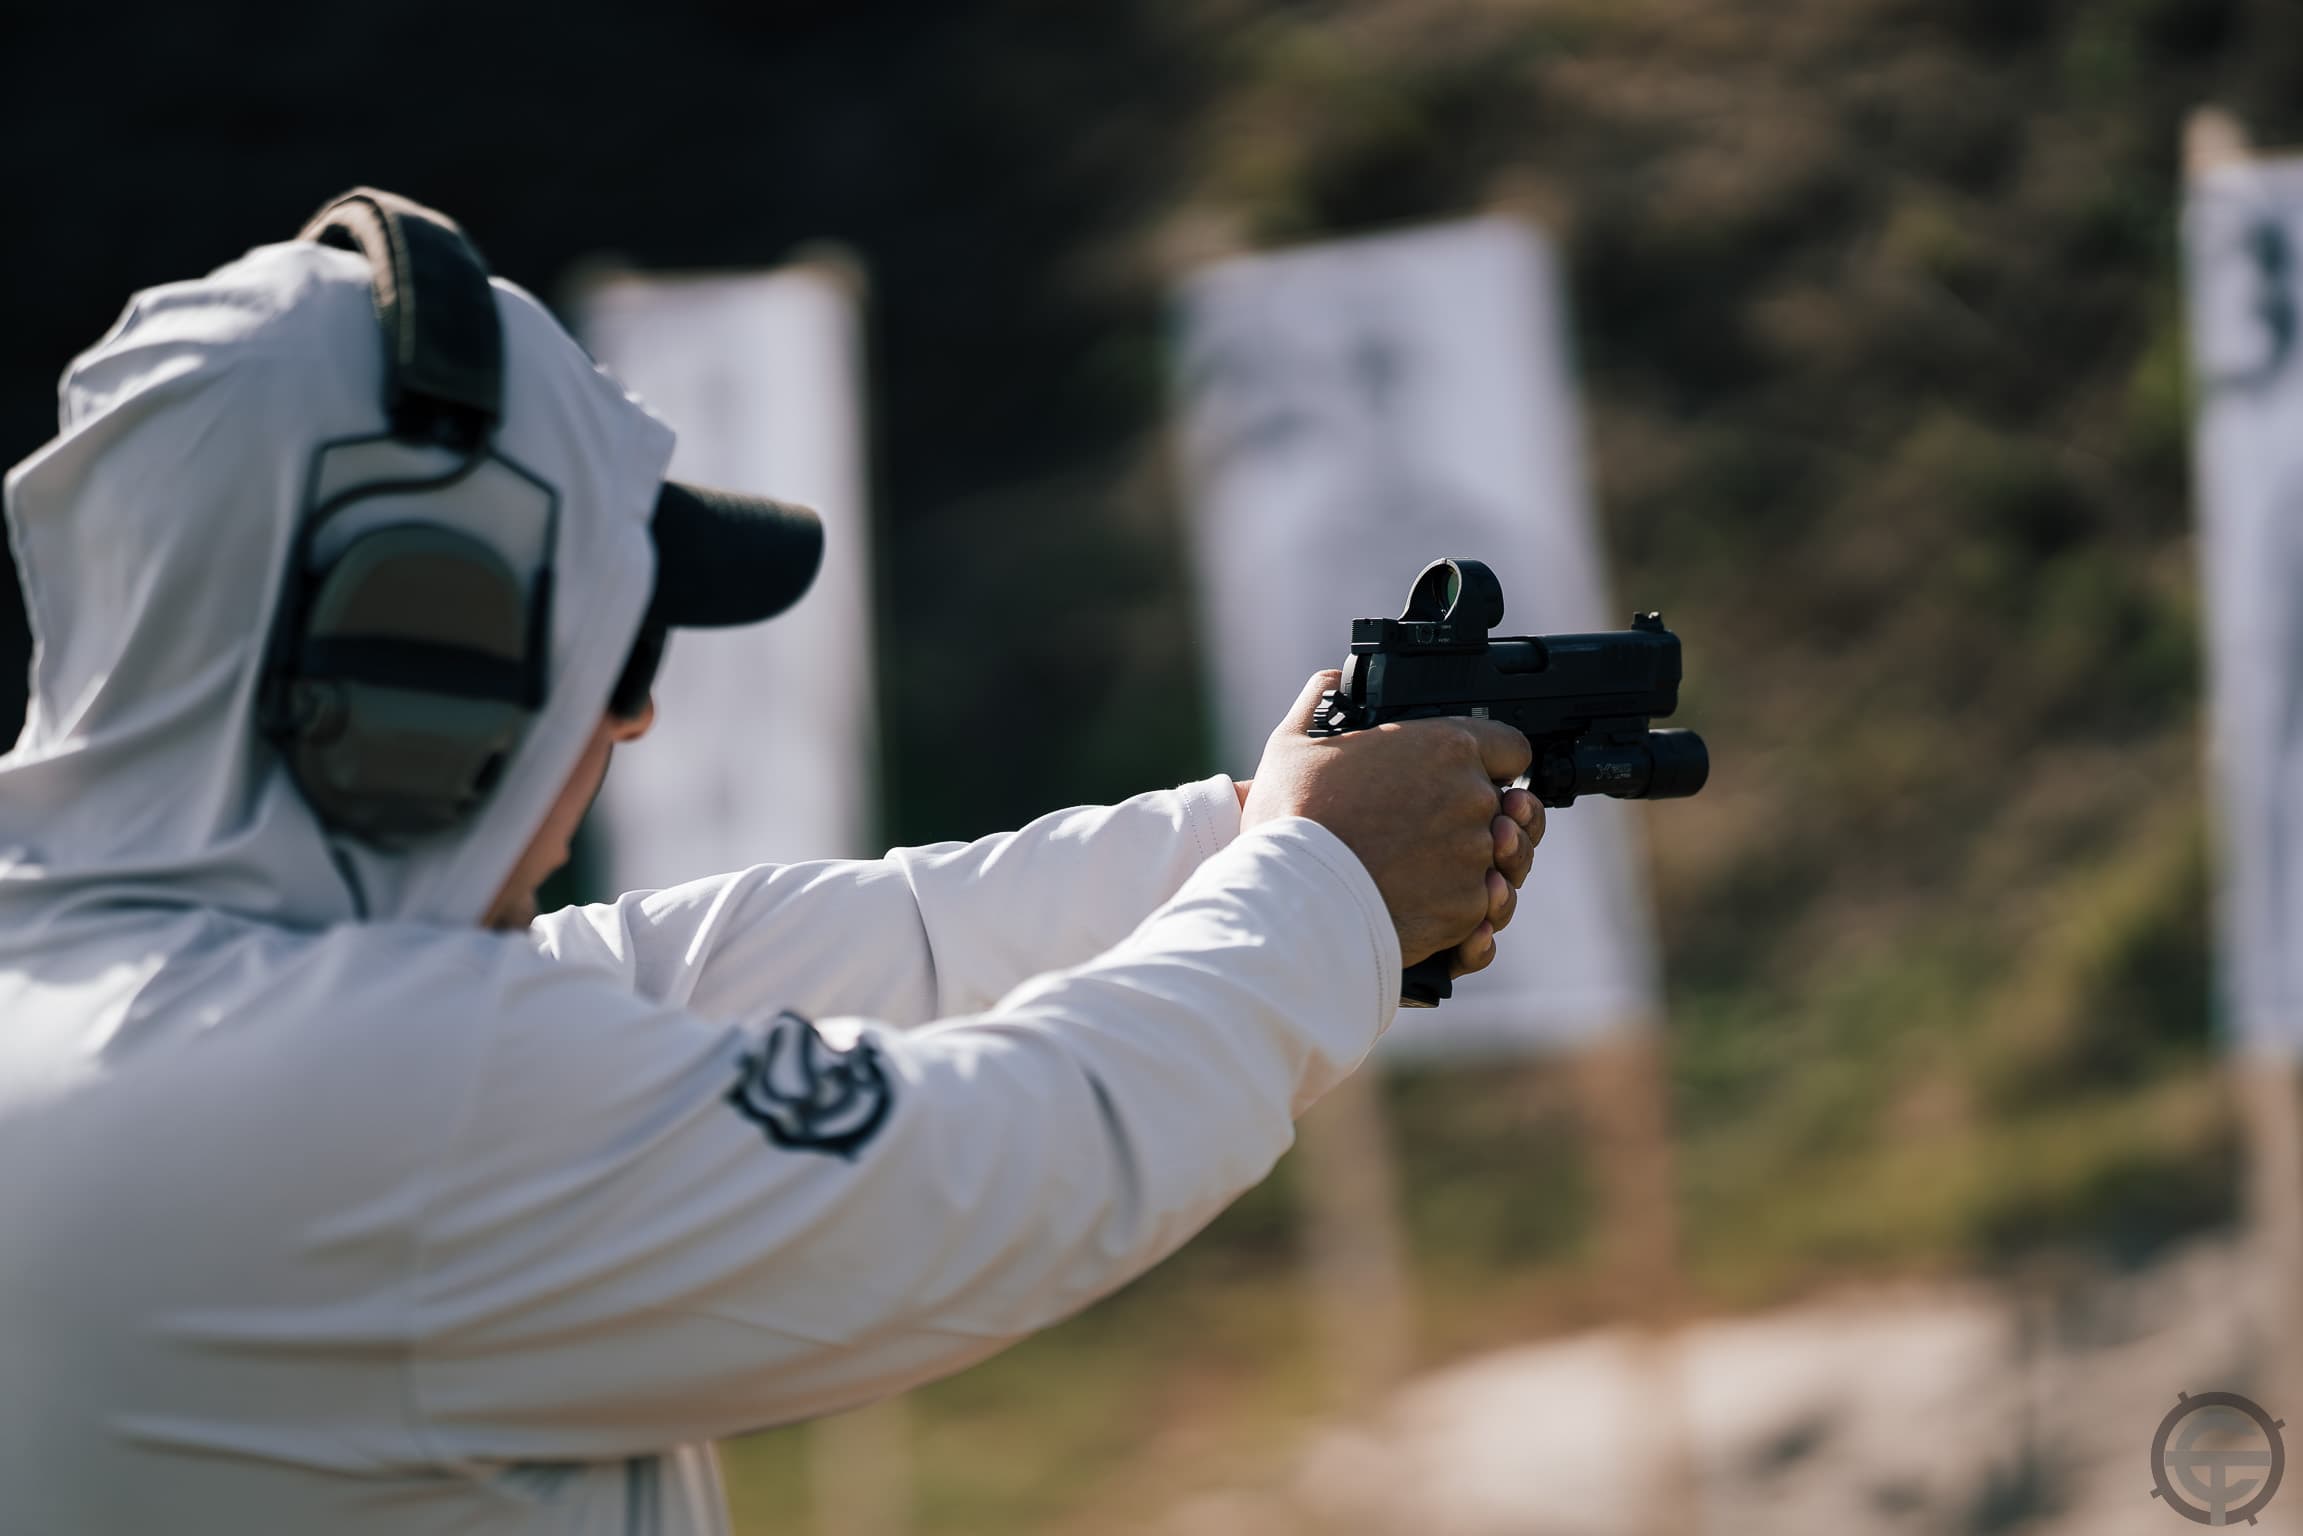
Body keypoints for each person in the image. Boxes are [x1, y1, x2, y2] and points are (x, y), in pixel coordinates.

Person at [0, 192, 1543, 1534]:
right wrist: (1329, 887)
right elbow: (992, 1172)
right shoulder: (355, 1097)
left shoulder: (124, 1006)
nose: (640, 708)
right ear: (429, 660)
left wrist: (1258, 827)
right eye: (615, 640)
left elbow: (779, 959)